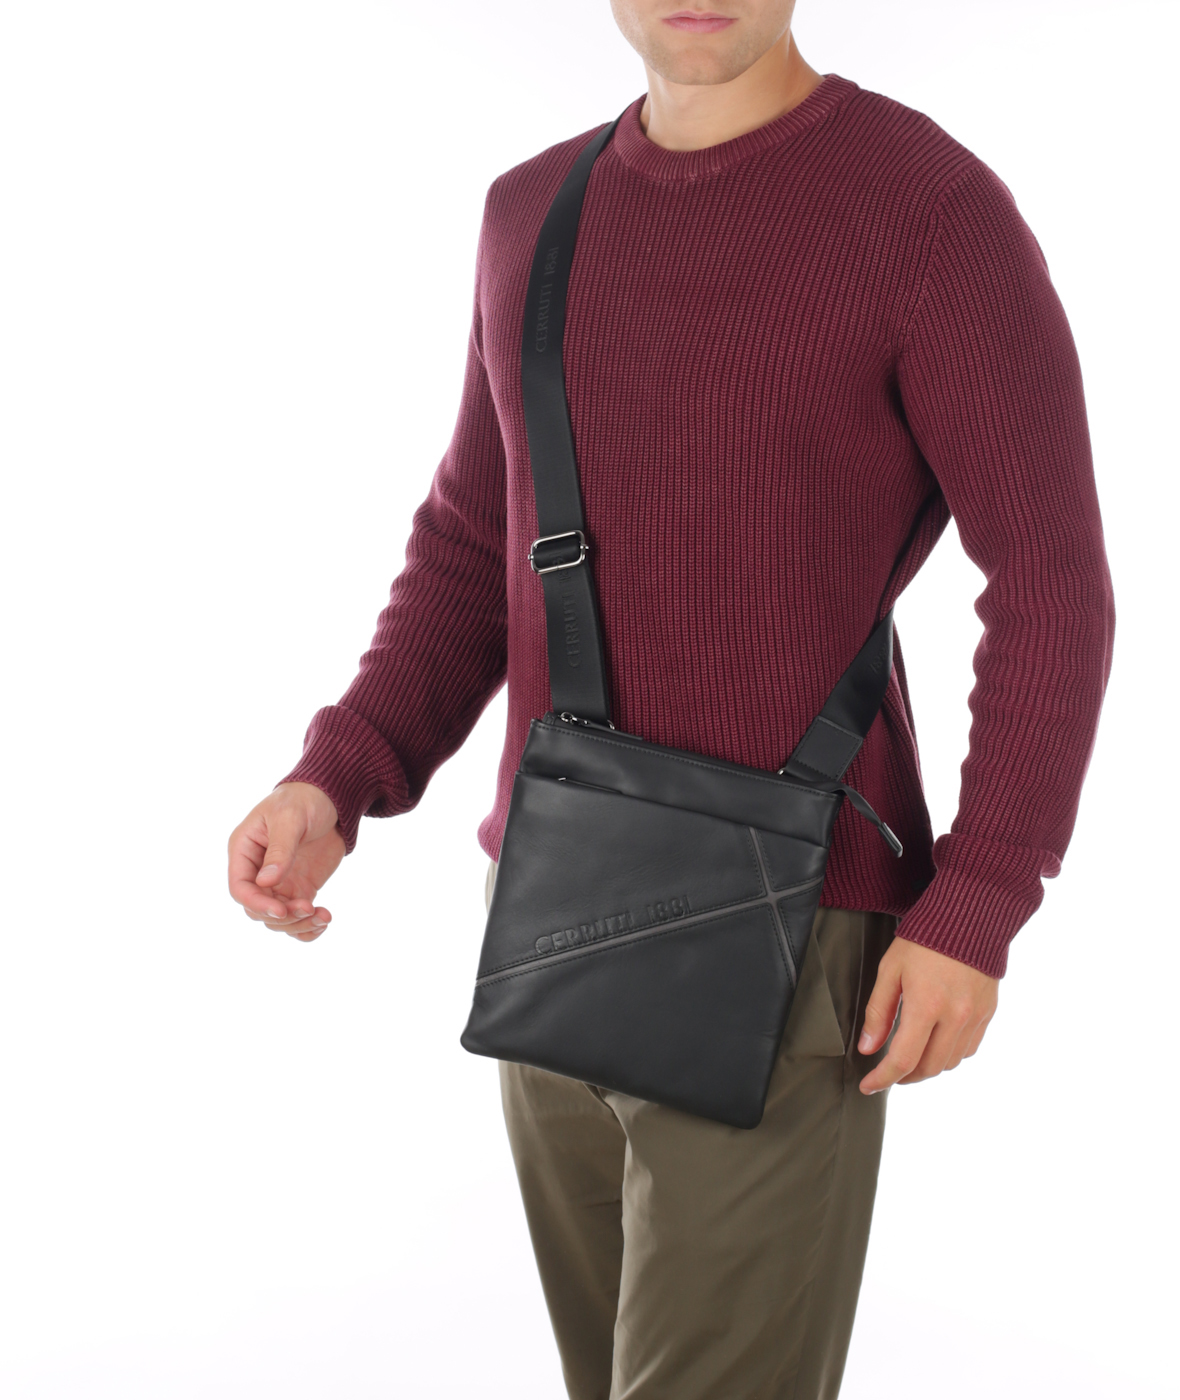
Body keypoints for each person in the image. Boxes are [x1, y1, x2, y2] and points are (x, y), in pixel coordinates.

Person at [227, 2, 1114, 1395]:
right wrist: (337, 774)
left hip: (795, 922)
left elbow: (1052, 579)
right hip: (552, 901)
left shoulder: (927, 211)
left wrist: (983, 895)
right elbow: (475, 540)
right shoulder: (531, 211)